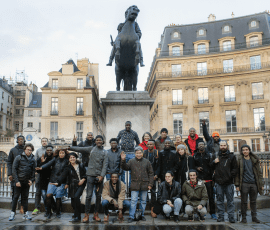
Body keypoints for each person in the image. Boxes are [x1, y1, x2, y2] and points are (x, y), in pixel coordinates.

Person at [69, 135, 108, 223]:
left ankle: (96, 214)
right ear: (95, 142)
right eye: (97, 140)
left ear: (102, 142)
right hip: (90, 175)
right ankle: (86, 215)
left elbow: (105, 165)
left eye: (100, 140)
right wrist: (70, 147)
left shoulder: (105, 152)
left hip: (99, 177)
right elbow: (80, 149)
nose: (99, 141)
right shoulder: (91, 149)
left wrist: (102, 176)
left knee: (98, 196)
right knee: (88, 196)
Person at [120, 146, 154, 223]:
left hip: (144, 184)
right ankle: (131, 216)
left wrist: (150, 184)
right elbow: (125, 167)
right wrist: (123, 160)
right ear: (135, 153)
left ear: (142, 153)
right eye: (137, 153)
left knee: (143, 201)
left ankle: (141, 215)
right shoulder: (131, 161)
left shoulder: (147, 162)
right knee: (133, 201)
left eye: (140, 153)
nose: (139, 154)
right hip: (135, 185)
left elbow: (151, 173)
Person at [51, 152, 87, 222]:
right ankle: (76, 213)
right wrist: (58, 182)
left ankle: (78, 217)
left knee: (76, 197)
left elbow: (85, 174)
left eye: (73, 157)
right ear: (69, 159)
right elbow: (63, 176)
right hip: (72, 185)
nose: (72, 159)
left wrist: (83, 179)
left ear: (76, 158)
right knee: (73, 202)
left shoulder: (81, 165)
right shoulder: (68, 167)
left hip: (81, 184)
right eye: (71, 158)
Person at [36, 149, 69, 219]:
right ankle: (48, 212)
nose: (61, 154)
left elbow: (65, 173)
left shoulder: (67, 161)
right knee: (48, 195)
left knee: (58, 197)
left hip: (61, 182)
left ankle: (58, 212)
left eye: (63, 153)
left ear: (65, 154)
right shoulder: (55, 159)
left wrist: (60, 182)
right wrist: (41, 167)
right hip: (52, 180)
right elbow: (48, 164)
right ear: (58, 153)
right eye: (60, 153)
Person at [235, 144, 263, 223]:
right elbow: (237, 174)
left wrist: (261, 184)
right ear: (242, 151)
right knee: (244, 202)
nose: (245, 151)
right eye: (243, 150)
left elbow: (259, 173)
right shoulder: (239, 160)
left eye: (246, 149)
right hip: (244, 184)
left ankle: (254, 217)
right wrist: (237, 185)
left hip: (254, 183)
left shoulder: (254, 159)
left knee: (253, 201)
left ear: (249, 150)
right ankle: (244, 218)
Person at [212, 141, 238, 223]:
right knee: (219, 201)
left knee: (230, 201)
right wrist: (213, 162)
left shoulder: (231, 156)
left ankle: (231, 217)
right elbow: (210, 167)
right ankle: (221, 216)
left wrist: (230, 176)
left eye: (224, 145)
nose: (223, 146)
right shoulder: (215, 155)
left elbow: (235, 168)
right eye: (221, 145)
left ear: (227, 146)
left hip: (229, 183)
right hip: (219, 183)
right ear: (219, 146)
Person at [9, 143, 36, 221]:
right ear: (25, 150)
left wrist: (32, 180)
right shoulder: (18, 157)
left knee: (25, 198)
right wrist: (16, 181)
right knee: (15, 197)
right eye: (28, 149)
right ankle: (12, 213)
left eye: (31, 150)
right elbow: (14, 170)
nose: (29, 151)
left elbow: (33, 172)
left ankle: (26, 214)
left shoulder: (33, 159)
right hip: (18, 182)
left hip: (26, 182)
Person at [193, 142, 217, 220]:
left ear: (204, 146)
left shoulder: (209, 155)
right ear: (198, 146)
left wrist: (213, 179)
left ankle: (213, 213)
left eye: (202, 145)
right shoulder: (195, 155)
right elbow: (193, 166)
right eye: (199, 145)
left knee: (211, 197)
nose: (201, 146)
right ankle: (203, 212)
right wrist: (197, 168)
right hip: (199, 179)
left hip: (208, 179)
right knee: (201, 197)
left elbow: (212, 166)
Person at [7, 135, 26, 214]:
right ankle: (14, 208)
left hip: (24, 174)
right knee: (14, 191)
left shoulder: (26, 150)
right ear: (17, 141)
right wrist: (10, 174)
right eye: (19, 140)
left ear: (24, 141)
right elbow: (9, 162)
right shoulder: (13, 150)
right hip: (14, 174)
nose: (21, 141)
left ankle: (22, 207)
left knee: (23, 192)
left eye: (22, 140)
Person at [36, 144, 55, 217]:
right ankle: (48, 210)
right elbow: (38, 171)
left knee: (49, 196)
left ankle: (54, 208)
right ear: (45, 151)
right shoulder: (41, 158)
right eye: (48, 150)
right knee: (44, 195)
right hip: (43, 180)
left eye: (50, 150)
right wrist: (42, 162)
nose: (49, 151)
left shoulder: (54, 159)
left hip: (51, 180)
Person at [143, 139, 160, 217]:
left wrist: (156, 175)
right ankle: (143, 209)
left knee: (153, 193)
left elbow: (159, 165)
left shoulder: (157, 152)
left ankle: (153, 210)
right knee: (144, 192)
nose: (149, 145)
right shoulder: (144, 153)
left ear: (154, 145)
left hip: (153, 176)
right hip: (145, 175)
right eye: (148, 144)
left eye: (151, 144)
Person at [32, 137, 48, 215]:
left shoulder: (50, 150)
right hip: (39, 174)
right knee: (38, 192)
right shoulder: (38, 151)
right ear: (41, 142)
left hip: (47, 175)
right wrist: (35, 171)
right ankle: (36, 208)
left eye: (45, 141)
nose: (44, 142)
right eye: (43, 141)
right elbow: (35, 162)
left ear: (47, 142)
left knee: (47, 192)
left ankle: (48, 208)